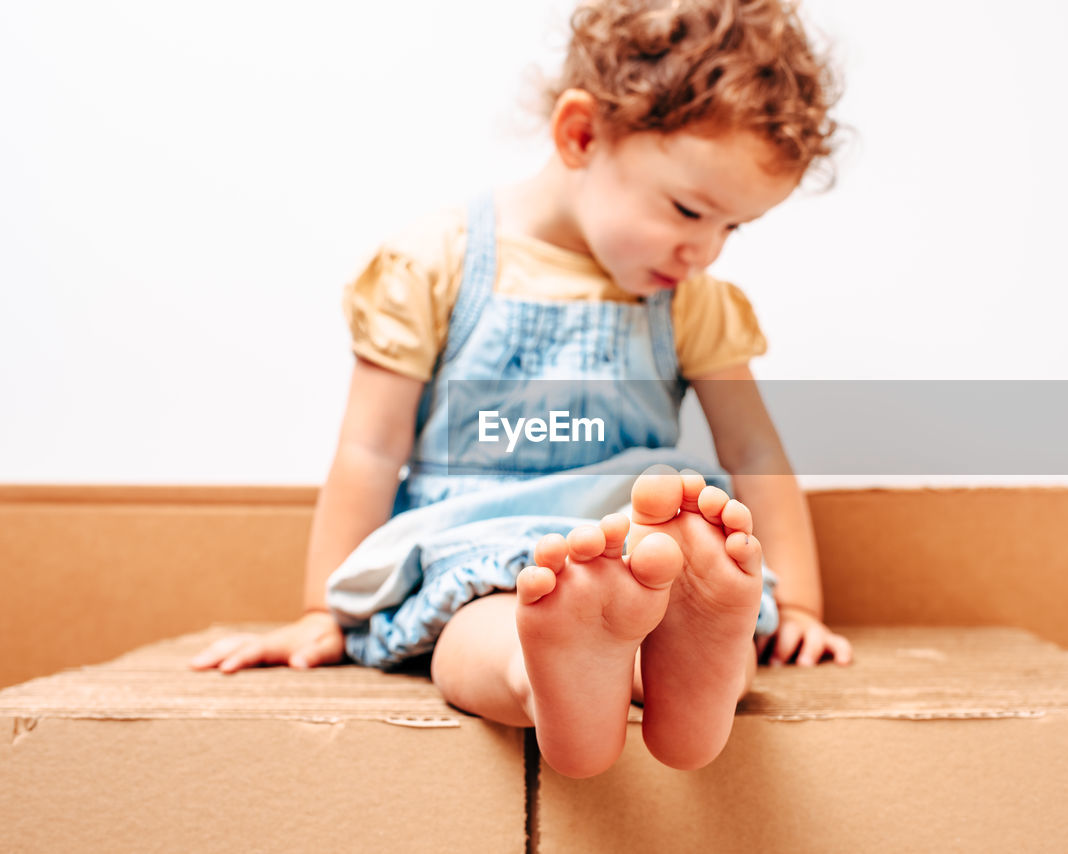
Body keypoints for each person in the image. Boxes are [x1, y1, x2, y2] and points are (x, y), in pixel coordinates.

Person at [190, 0, 853, 778]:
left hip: (640, 548)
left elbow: (754, 451)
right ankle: (551, 676)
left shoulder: (690, 300)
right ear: (580, 135)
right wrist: (320, 612)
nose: (703, 250)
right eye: (688, 210)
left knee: (703, 619)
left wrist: (798, 608)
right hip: (473, 546)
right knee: (485, 631)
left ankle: (686, 675)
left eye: (732, 229)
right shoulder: (439, 261)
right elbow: (370, 448)